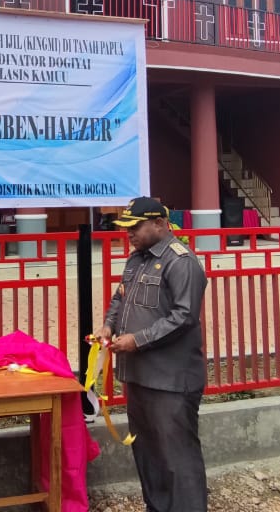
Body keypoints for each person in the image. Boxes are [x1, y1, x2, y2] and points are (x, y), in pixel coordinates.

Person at [95, 197, 208, 512]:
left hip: (171, 380)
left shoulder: (181, 262)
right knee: (148, 453)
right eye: (126, 227)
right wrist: (108, 326)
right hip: (140, 376)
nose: (128, 233)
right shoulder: (137, 259)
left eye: (135, 227)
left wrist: (138, 340)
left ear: (159, 224)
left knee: (177, 458)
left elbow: (184, 317)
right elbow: (121, 298)